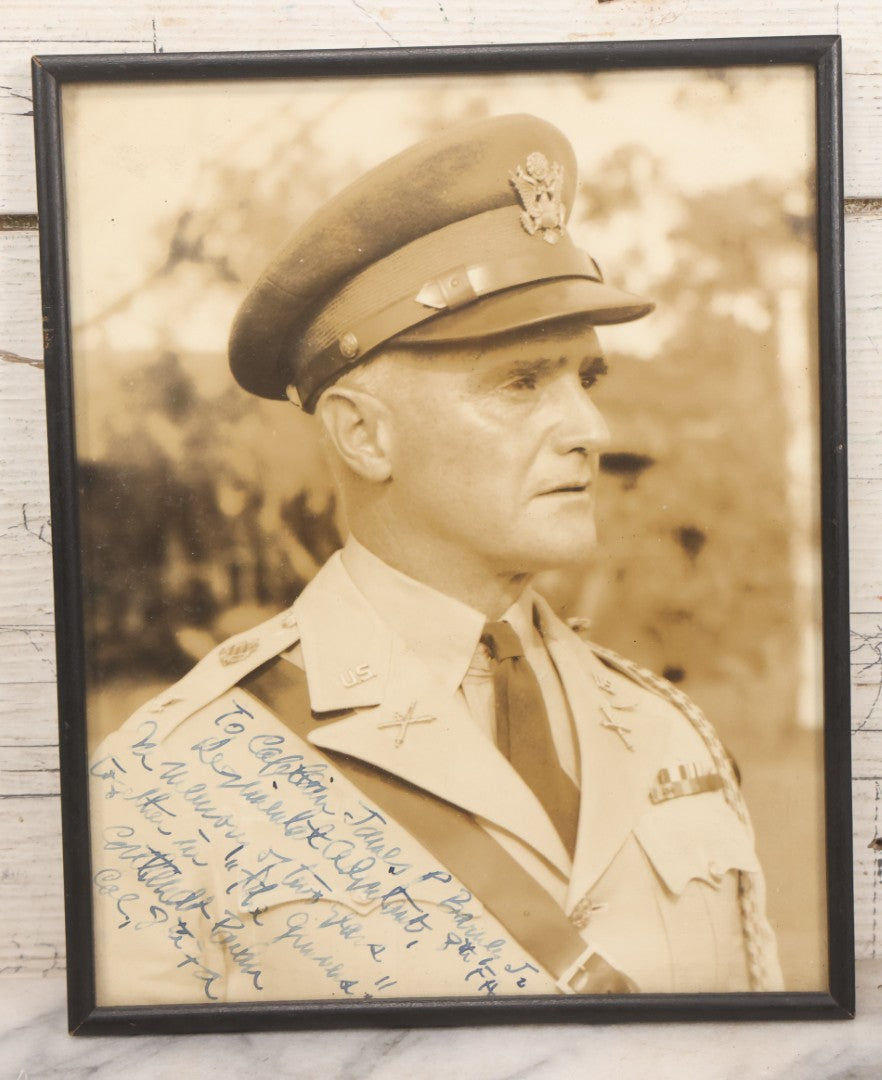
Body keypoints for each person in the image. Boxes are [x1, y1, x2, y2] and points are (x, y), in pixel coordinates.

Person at [88, 113, 783, 1006]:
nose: (589, 429)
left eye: (586, 378)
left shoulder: (672, 733)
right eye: (521, 381)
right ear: (363, 434)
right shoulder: (168, 782)